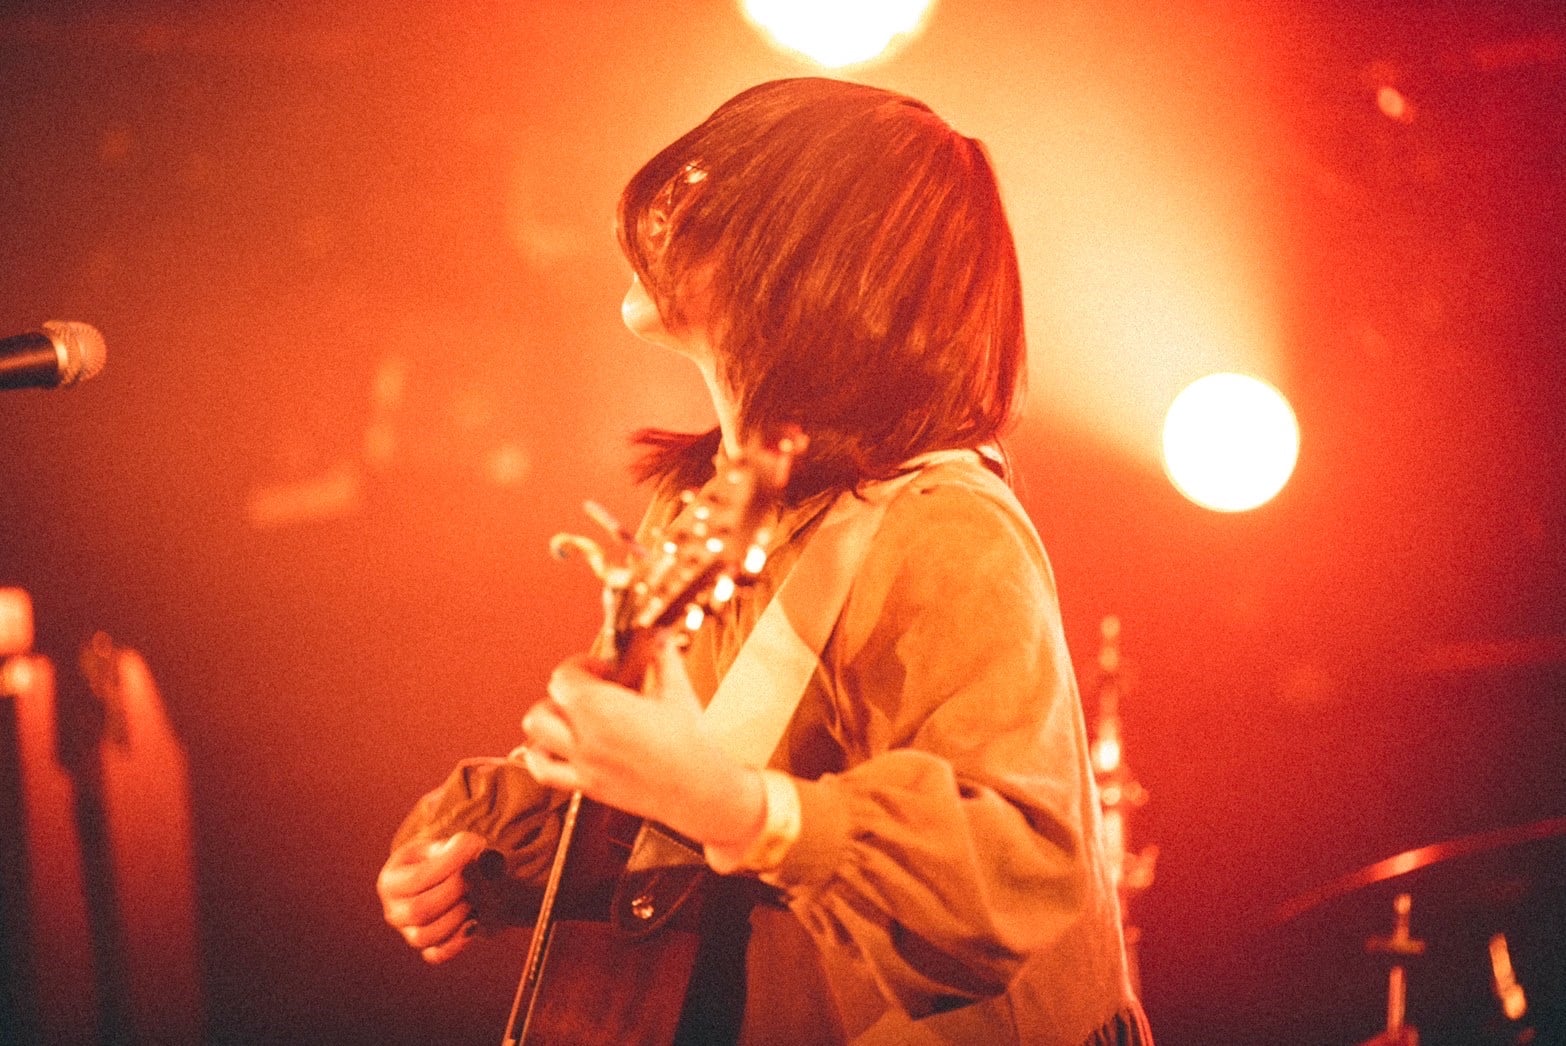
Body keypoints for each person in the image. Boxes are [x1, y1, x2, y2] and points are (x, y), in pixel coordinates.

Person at [377, 77, 1151, 1045]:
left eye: (707, 185)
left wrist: (732, 807)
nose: (663, 216)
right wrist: (480, 846)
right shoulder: (703, 512)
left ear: (810, 253)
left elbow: (1009, 866)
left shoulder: (944, 526)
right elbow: (651, 806)